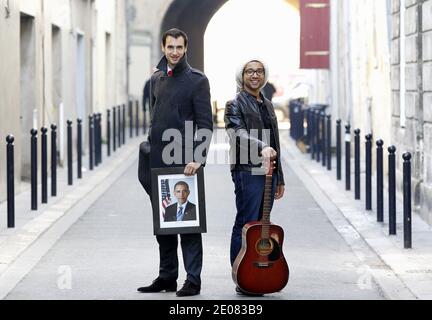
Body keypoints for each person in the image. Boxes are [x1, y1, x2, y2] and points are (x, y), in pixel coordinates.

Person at [137, 28, 213, 297]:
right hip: (157, 162)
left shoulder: (197, 80)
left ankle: (193, 280)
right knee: (164, 223)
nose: (175, 52)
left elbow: (205, 124)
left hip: (185, 162)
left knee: (188, 224)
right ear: (163, 47)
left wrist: (198, 158)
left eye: (180, 47)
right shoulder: (156, 78)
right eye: (171, 47)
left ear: (186, 48)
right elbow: (154, 118)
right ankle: (167, 276)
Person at [224, 58, 285, 295]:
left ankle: (260, 274)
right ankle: (241, 275)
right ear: (242, 75)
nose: (255, 75)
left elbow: (276, 142)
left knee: (262, 225)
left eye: (259, 71)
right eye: (250, 71)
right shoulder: (234, 104)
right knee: (247, 223)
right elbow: (237, 134)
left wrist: (280, 177)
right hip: (247, 169)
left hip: (268, 170)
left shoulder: (268, 104)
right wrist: (261, 146)